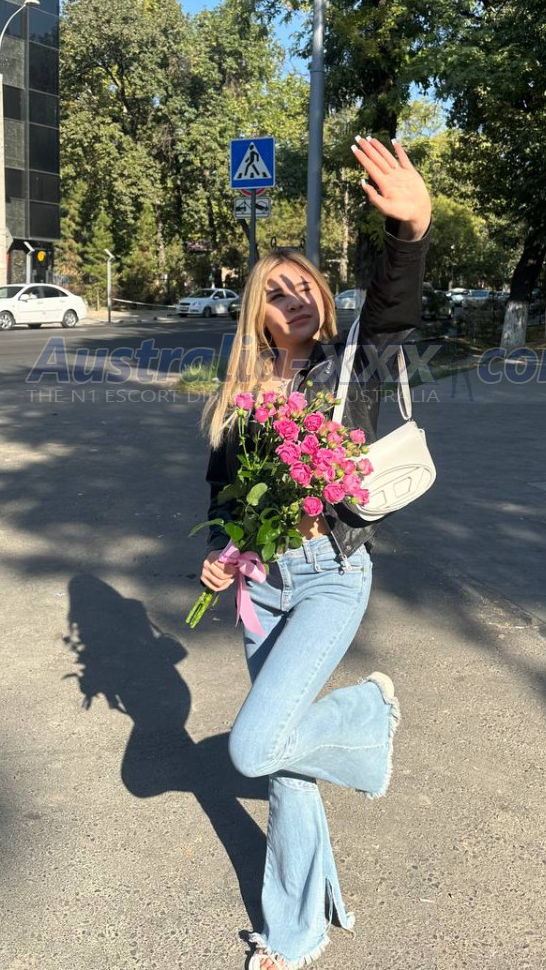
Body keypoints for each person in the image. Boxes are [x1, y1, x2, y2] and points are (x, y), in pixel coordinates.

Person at [200, 135, 432, 970]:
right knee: (286, 770)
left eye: (305, 286)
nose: (294, 298)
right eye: (275, 292)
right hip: (261, 592)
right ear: (257, 314)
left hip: (331, 574)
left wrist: (409, 232)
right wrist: (221, 551)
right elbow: (223, 493)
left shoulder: (347, 365)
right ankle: (295, 936)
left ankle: (370, 712)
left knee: (254, 746)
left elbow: (395, 307)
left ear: (324, 298)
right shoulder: (239, 395)